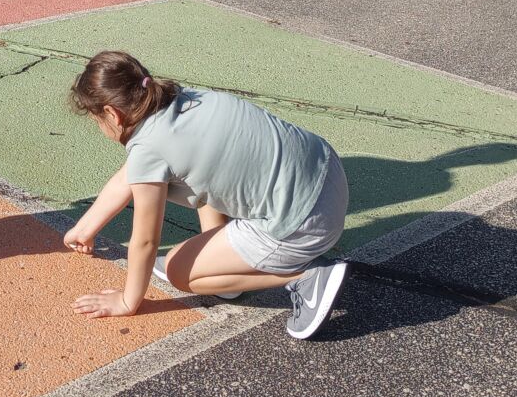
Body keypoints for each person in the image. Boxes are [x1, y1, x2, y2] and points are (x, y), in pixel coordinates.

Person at [63, 51, 351, 341]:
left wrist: (127, 300)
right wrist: (86, 228)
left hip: (302, 226)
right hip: (329, 173)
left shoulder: (148, 148)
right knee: (190, 178)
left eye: (96, 119)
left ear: (112, 114)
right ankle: (227, 273)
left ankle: (304, 278)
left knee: (179, 272)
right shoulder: (181, 98)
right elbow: (131, 175)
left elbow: (146, 240)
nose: (99, 126)